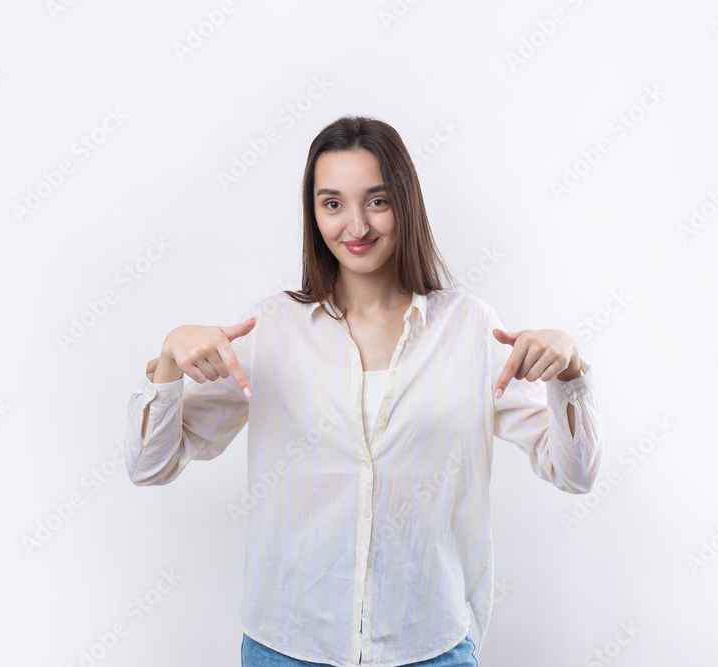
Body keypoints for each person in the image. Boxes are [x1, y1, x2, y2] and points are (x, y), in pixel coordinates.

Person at [123, 115, 603, 667]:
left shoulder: (471, 329)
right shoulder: (269, 330)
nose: (355, 225)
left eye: (376, 201)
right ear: (313, 213)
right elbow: (149, 466)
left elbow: (576, 474)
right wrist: (167, 360)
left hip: (430, 646)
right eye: (332, 204)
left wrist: (571, 371)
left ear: (406, 203)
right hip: (287, 646)